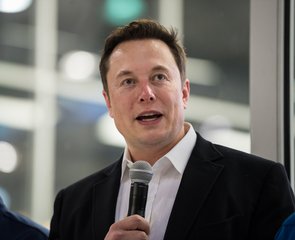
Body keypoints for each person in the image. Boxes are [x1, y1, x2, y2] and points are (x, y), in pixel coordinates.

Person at [49, 19, 295, 240]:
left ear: (184, 92)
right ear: (109, 103)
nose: (146, 94)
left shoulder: (257, 182)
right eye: (128, 81)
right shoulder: (72, 205)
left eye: (159, 77)